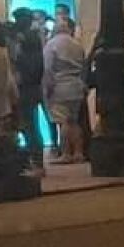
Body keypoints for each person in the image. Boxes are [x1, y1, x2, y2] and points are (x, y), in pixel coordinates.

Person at [44, 18, 87, 164]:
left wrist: (47, 88)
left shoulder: (51, 44)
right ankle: (79, 152)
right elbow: (84, 65)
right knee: (74, 121)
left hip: (60, 86)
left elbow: (48, 68)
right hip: (76, 85)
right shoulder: (77, 45)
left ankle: (66, 153)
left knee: (63, 122)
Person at [10, 8, 47, 175]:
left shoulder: (28, 39)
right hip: (31, 88)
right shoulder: (32, 39)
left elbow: (30, 67)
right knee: (29, 125)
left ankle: (36, 162)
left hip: (26, 88)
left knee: (29, 125)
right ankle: (35, 161)